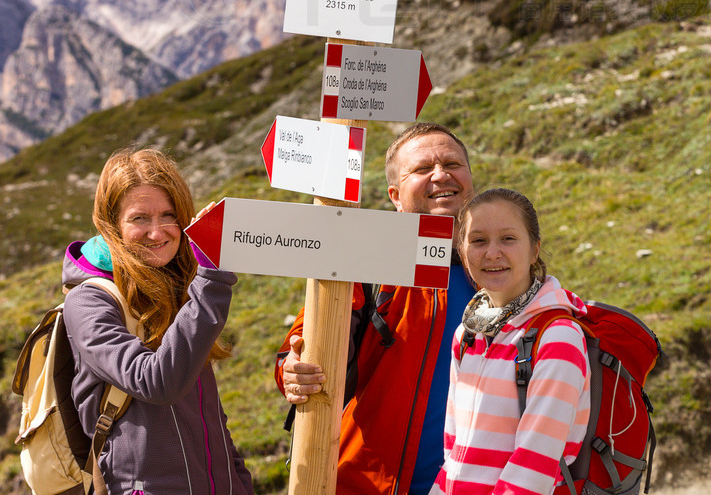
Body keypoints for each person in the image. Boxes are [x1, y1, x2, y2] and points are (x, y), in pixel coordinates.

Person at [275, 122, 477, 495]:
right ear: (396, 196)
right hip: (371, 485)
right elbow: (302, 345)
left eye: (452, 163)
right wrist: (292, 367)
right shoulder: (366, 263)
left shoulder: (501, 266)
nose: (440, 174)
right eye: (421, 169)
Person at [62, 147, 253, 495]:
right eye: (139, 218)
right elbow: (157, 383)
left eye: (169, 215)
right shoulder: (88, 302)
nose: (158, 231)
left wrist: (239, 483)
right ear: (112, 224)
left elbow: (210, 420)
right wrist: (211, 279)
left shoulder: (178, 285)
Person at [430, 188, 591, 495]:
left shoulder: (557, 337)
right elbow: (453, 451)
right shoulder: (466, 335)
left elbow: (535, 468)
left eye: (508, 238)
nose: (492, 253)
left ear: (534, 250)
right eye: (478, 241)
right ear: (462, 253)